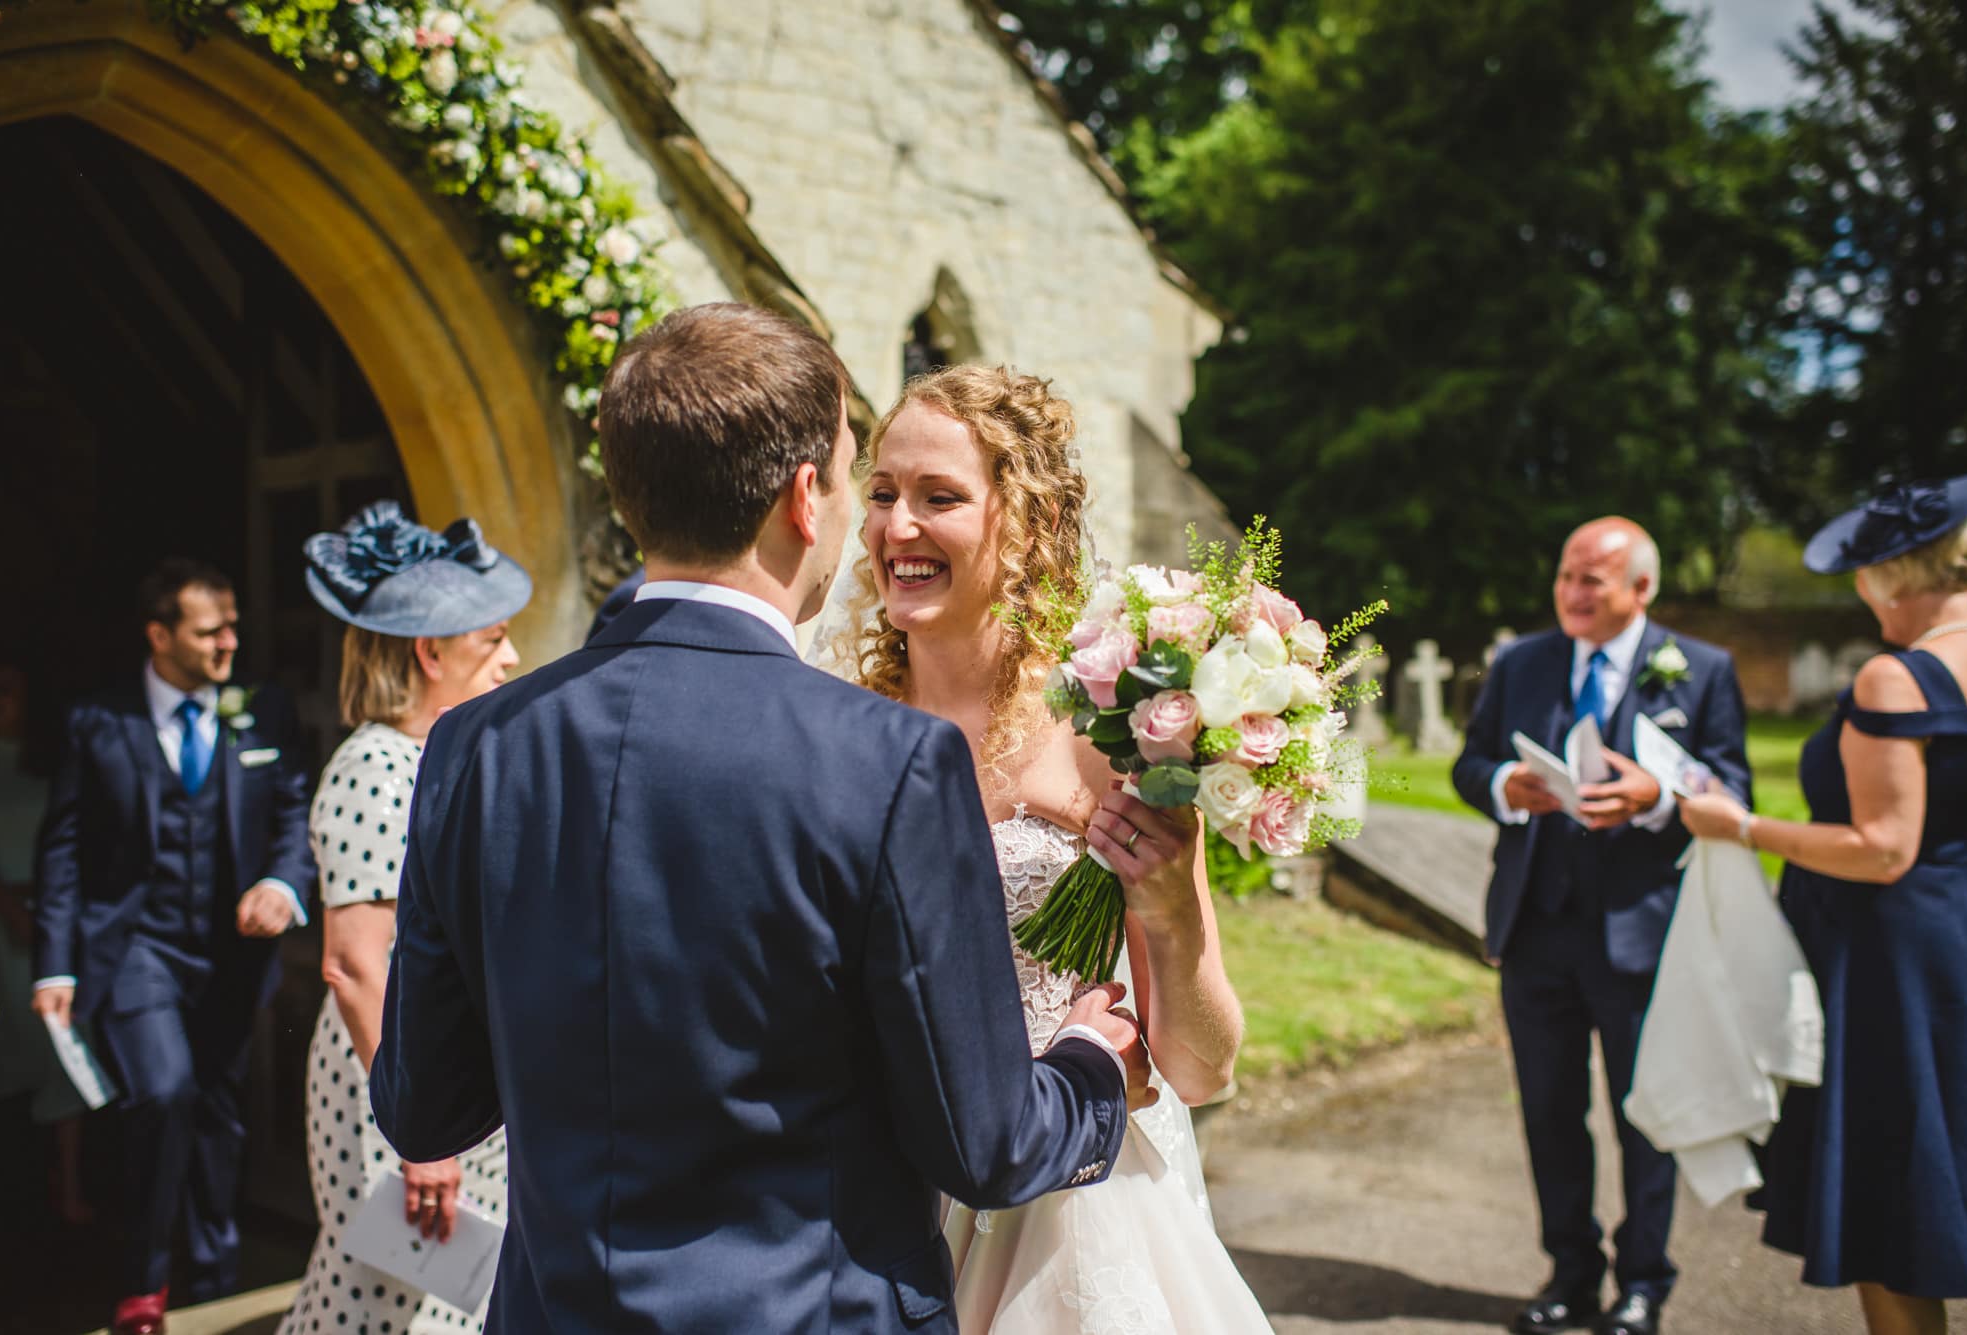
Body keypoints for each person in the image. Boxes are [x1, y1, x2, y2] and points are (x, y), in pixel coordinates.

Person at [370, 302, 1148, 1332]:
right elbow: (985, 1145)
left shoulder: (476, 747)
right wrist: (1089, 1066)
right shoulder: (885, 761)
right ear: (800, 497)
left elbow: (424, 1106)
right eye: (846, 474)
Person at [817, 363, 1271, 1332]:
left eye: (939, 498)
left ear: (1023, 523)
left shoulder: (1104, 737)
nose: (897, 527)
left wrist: (1173, 912)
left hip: (1069, 1196)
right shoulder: (841, 729)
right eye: (884, 494)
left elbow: (1198, 1071)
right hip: (877, 1189)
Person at [1682, 474, 1967, 1335]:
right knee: (1952, 1160)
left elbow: (1883, 847)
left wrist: (1738, 823)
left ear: (1895, 573)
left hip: (1889, 963)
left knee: (1888, 1207)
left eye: (1863, 568)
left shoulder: (1896, 680)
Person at [1452, 518, 1751, 1335]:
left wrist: (1657, 800)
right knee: (1549, 1111)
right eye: (1566, 576)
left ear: (1641, 589)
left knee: (1643, 1116)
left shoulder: (1703, 670)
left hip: (1642, 933)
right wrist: (1509, 784)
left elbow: (1733, 789)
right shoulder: (1522, 662)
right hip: (1536, 928)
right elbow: (1469, 764)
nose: (1574, 593)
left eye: (1594, 580)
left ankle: (1645, 1280)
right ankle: (1572, 1272)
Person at [32, 560, 316, 1335]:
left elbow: (295, 815)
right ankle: (143, 1282)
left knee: (221, 1114)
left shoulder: (261, 709)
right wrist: (54, 962)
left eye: (233, 625)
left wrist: (283, 887)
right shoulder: (100, 719)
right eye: (209, 629)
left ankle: (216, 1278)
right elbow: (63, 846)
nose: (231, 640)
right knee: (163, 1091)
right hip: (135, 947)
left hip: (230, 955)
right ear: (160, 635)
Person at [275, 501, 530, 1334]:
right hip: (387, 1082)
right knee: (391, 1296)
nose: (512, 656)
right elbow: (355, 965)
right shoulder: (372, 768)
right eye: (491, 639)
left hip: (434, 1070)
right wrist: (420, 1135)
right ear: (431, 652)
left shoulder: (430, 759)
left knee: (435, 1295)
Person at [0, 662, 90, 1224]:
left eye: (8, 690)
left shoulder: (51, 769)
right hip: (5, 927)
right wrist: (8, 906)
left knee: (61, 1057)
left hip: (47, 929)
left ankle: (68, 1185)